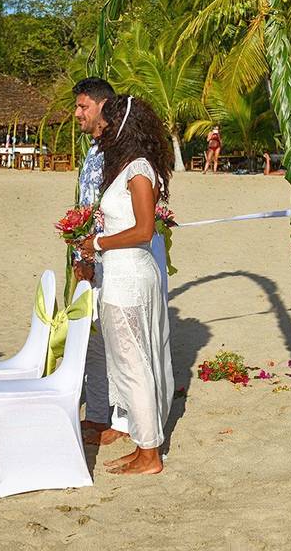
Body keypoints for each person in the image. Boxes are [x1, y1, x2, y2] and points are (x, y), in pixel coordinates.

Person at [77, 95, 174, 475]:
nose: (99, 125)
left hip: (130, 278)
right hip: (118, 274)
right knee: (127, 363)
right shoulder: (125, 168)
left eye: (106, 120)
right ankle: (143, 443)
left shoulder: (138, 170)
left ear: (121, 125)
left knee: (133, 364)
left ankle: (150, 453)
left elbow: (144, 230)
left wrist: (97, 243)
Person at [71, 77, 130, 446]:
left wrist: (98, 249)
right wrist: (80, 254)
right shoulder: (92, 150)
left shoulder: (120, 150)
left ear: (103, 107)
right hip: (89, 254)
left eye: (83, 107)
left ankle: (123, 420)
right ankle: (96, 413)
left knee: (120, 339)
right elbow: (84, 206)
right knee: (92, 336)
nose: (77, 113)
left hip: (114, 254)